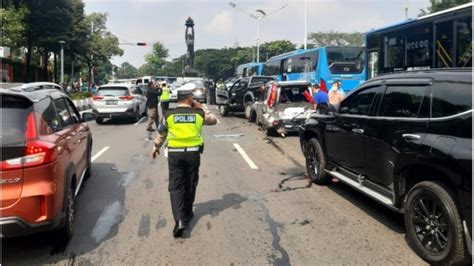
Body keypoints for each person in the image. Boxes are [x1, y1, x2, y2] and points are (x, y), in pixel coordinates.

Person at [152, 89, 217, 237]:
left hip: (175, 154)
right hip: (193, 153)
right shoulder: (198, 114)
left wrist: (155, 147)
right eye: (193, 98)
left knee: (175, 186)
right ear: (190, 99)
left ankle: (179, 220)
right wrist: (202, 107)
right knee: (190, 183)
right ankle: (187, 212)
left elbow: (161, 133)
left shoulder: (169, 114)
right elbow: (213, 120)